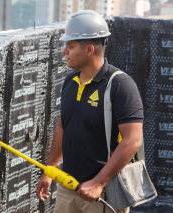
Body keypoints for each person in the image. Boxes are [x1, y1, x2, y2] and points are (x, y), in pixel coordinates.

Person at [36, 10, 143, 213]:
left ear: (89, 50)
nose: (64, 50)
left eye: (70, 45)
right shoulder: (70, 81)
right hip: (68, 186)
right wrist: (48, 171)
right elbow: (62, 126)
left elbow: (133, 140)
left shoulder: (120, 85)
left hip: (103, 193)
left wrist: (98, 183)